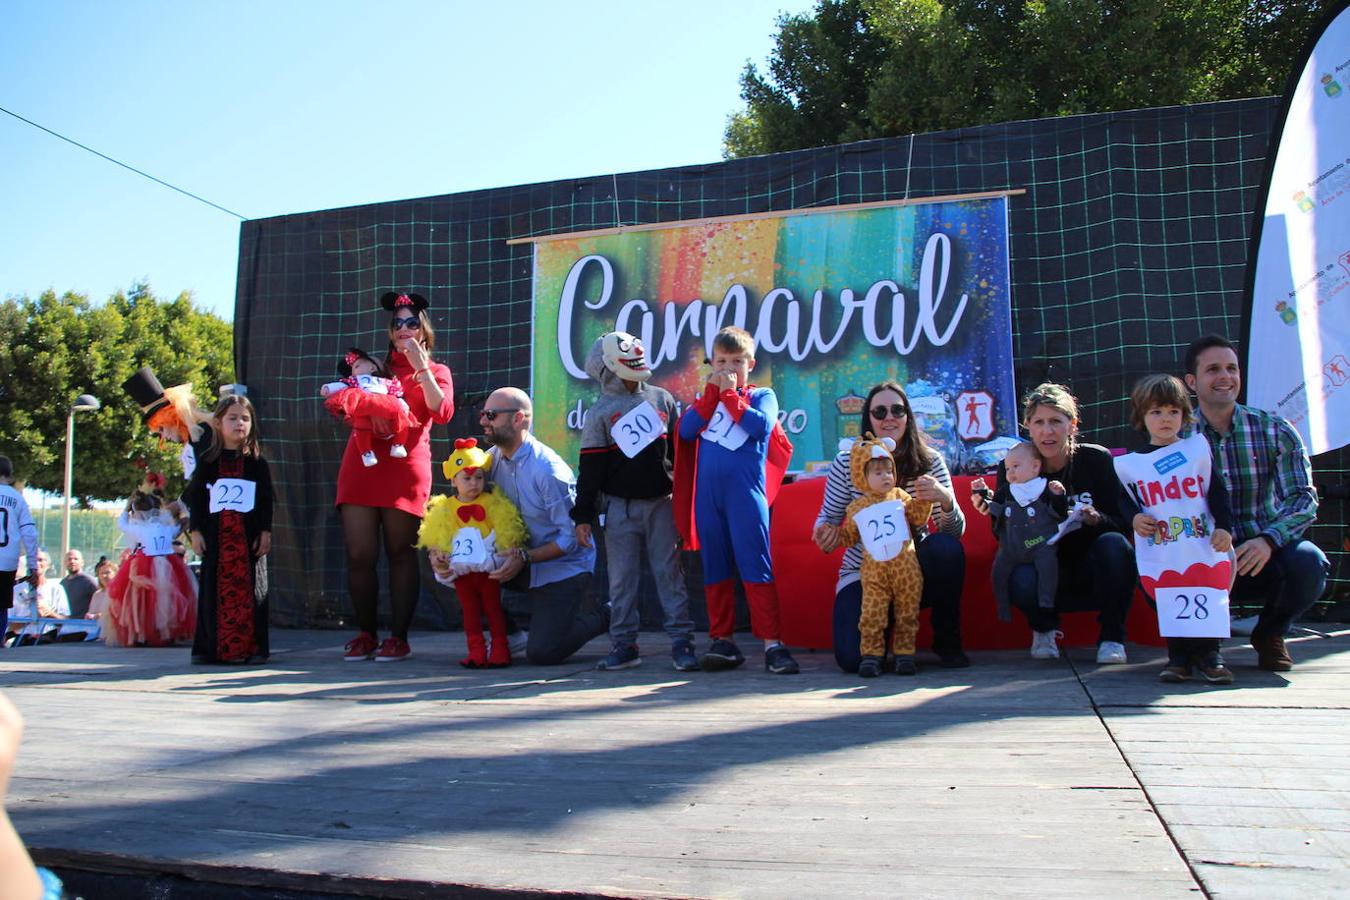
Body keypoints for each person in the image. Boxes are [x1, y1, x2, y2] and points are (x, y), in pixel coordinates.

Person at [1184, 335, 1328, 671]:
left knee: (1310, 563)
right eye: (1213, 369)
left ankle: (1270, 634)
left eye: (1232, 368)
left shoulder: (1275, 429)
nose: (1225, 377)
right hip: (1201, 554)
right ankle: (1199, 643)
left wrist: (1268, 540)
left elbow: (1303, 498)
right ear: (1192, 381)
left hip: (1262, 553)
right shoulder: (1176, 437)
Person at [972, 383, 1135, 663]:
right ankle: (1044, 629)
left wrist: (1096, 519)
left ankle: (1111, 637)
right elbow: (1003, 538)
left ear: (1072, 425)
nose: (1048, 431)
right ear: (1028, 427)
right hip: (1041, 565)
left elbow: (1123, 524)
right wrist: (995, 512)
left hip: (1090, 567)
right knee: (1018, 575)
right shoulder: (1012, 466)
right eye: (1039, 422)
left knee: (1115, 546)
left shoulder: (1095, 460)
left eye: (1056, 422)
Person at [814, 381, 969, 671]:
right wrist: (824, 533)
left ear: (908, 416)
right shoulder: (846, 462)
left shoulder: (929, 460)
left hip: (912, 568)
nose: (889, 418)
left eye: (897, 410)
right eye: (879, 411)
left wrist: (946, 500)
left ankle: (947, 640)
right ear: (868, 419)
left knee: (945, 549)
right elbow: (829, 520)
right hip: (865, 571)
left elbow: (953, 533)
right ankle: (880, 635)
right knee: (851, 660)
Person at [337, 292, 455, 663]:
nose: (404, 328)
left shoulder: (437, 371)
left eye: (411, 322)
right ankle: (365, 634)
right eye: (397, 323)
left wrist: (420, 367)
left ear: (423, 330)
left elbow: (443, 412)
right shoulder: (375, 369)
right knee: (360, 554)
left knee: (400, 552)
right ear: (389, 332)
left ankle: (399, 638)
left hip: (406, 467)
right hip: (363, 464)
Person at [675, 326, 798, 674]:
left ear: (751, 363)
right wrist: (714, 396)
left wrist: (731, 397)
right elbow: (685, 431)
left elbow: (761, 427)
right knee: (715, 567)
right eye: (722, 361)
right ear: (711, 363)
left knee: (755, 564)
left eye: (737, 361)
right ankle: (722, 640)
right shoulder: (705, 400)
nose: (728, 368)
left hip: (745, 496)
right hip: (709, 499)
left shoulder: (762, 395)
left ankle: (773, 644)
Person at [570, 332, 695, 672]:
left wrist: (682, 503)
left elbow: (679, 458)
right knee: (622, 580)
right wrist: (583, 516)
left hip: (662, 505)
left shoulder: (662, 399)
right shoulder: (599, 414)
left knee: (670, 574)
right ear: (606, 367)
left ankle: (682, 642)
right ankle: (624, 645)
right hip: (619, 510)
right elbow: (590, 470)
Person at [1118, 373, 1235, 684]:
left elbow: (1217, 491)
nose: (1165, 419)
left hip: (1202, 543)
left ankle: (1212, 656)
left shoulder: (1197, 449)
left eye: (1173, 411)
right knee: (1170, 598)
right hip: (1163, 548)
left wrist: (1224, 526)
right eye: (1156, 412)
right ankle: (1178, 657)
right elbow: (1122, 501)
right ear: (1142, 416)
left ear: (1184, 414)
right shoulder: (1130, 464)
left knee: (1207, 593)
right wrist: (1133, 518)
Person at [480, 386, 609, 665]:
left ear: (517, 419)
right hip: (521, 560)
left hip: (563, 567)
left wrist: (524, 558)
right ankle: (511, 637)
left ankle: (609, 613)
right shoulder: (488, 461)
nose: (483, 422)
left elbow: (571, 539)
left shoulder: (548, 470)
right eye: (483, 414)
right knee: (460, 568)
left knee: (542, 653)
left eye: (491, 415)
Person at [419, 438, 526, 668]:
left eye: (479, 477)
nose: (474, 484)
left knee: (493, 610)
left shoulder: (492, 503)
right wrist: (439, 554)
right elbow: (438, 537)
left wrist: (509, 547)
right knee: (469, 613)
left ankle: (500, 649)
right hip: (462, 572)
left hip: (488, 569)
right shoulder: (445, 508)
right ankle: (476, 651)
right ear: (453, 479)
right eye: (467, 478)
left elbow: (506, 528)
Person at [185, 394, 274, 664]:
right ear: (219, 423)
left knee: (253, 591)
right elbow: (196, 498)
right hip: (217, 538)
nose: (239, 423)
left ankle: (252, 647)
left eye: (245, 419)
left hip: (248, 540)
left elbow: (266, 499)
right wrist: (196, 531)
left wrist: (265, 531)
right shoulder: (209, 461)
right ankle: (209, 648)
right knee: (212, 593)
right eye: (233, 418)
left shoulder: (256, 462)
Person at [836, 435, 933, 677]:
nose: (885, 477)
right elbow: (849, 537)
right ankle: (871, 655)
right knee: (872, 613)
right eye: (877, 473)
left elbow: (918, 517)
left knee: (907, 613)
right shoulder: (857, 507)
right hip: (874, 573)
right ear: (862, 476)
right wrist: (832, 534)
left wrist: (926, 498)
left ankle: (904, 654)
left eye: (888, 471)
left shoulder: (901, 496)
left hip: (907, 569)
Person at [972, 442, 1069, 624]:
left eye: (1016, 467)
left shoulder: (1045, 488)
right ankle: (1002, 606)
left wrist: (1058, 496)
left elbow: (1060, 513)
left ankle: (1046, 604)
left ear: (1035, 466)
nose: (1010, 473)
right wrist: (980, 492)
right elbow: (991, 506)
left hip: (1041, 543)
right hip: (1011, 547)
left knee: (1048, 569)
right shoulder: (1006, 491)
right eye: (1008, 468)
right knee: (998, 574)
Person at [104, 474, 196, 647]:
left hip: (144, 564)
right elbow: (182, 525)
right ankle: (164, 631)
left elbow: (122, 524)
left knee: (140, 600)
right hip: (169, 565)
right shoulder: (165, 527)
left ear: (137, 513)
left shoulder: (139, 529)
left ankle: (142, 633)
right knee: (166, 599)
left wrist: (126, 508)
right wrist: (183, 511)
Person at [321, 347, 414, 467]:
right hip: (364, 403)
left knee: (402, 419)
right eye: (353, 368)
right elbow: (342, 384)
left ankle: (398, 444)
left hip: (385, 403)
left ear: (372, 367)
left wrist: (402, 404)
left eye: (358, 366)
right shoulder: (355, 381)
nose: (354, 370)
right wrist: (329, 388)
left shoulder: (384, 381)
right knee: (361, 423)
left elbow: (396, 394)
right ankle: (366, 452)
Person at [0, 456, 39, 637]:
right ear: (9, 475)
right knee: (1, 605)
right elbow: (29, 533)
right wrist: (33, 566)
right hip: (7, 559)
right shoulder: (18, 499)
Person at [8, 550, 69, 645]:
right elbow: (9, 625)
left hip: (47, 640)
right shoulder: (16, 590)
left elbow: (65, 621)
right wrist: (31, 616)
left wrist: (49, 613)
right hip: (21, 641)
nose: (37, 563)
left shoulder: (57, 589)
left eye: (41, 560)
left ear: (48, 564)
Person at [60, 549, 99, 619]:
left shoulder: (89, 581)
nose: (72, 561)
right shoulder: (62, 583)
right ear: (65, 563)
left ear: (82, 562)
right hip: (66, 625)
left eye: (75, 559)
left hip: (84, 625)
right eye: (69, 559)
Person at [85, 558, 116, 627]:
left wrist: (97, 616)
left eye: (107, 572)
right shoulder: (97, 594)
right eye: (101, 573)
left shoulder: (120, 593)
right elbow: (91, 614)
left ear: (115, 573)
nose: (104, 576)